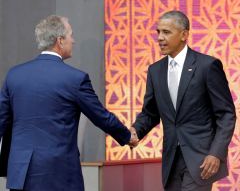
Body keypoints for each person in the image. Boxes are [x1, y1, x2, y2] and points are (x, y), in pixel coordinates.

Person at [0, 15, 138, 191]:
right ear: (60, 40)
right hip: (58, 175)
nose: (73, 40)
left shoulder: (14, 75)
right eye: (71, 35)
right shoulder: (75, 79)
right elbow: (100, 116)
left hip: (21, 174)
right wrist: (127, 136)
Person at [130, 10, 236, 191]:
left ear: (184, 35)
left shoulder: (207, 66)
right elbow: (151, 112)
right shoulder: (155, 71)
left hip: (201, 159)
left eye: (166, 32)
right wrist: (135, 131)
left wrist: (216, 154)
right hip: (171, 160)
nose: (160, 38)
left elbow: (226, 115)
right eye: (158, 32)